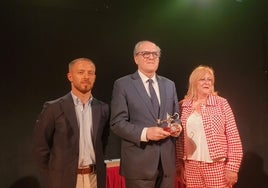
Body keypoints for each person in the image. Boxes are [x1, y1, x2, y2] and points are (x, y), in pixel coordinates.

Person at [110, 40, 181, 188]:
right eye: (145, 54)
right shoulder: (123, 84)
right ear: (136, 58)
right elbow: (117, 123)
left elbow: (175, 116)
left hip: (166, 165)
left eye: (155, 54)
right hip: (138, 165)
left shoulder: (169, 84)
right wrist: (145, 133)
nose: (151, 57)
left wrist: (177, 128)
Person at [33, 58, 110, 188]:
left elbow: (103, 142)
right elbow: (40, 147)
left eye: (90, 73)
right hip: (64, 181)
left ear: (95, 77)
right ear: (70, 76)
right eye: (81, 72)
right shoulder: (53, 108)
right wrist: (54, 175)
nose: (86, 76)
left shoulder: (103, 108)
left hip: (95, 179)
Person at [176, 65, 243, 188]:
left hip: (216, 166)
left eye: (210, 80)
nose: (207, 82)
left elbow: (233, 136)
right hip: (191, 166)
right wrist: (179, 166)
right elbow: (179, 140)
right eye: (202, 79)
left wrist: (233, 167)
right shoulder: (183, 106)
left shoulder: (221, 103)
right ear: (194, 82)